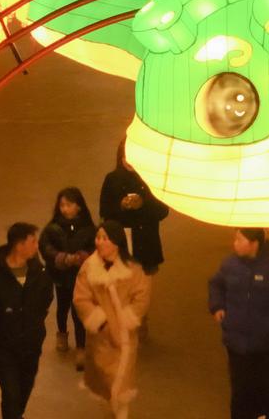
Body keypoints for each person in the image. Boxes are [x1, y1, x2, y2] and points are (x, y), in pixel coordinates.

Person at [0, 222, 53, 419]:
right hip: (3, 347)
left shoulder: (39, 274)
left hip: (31, 344)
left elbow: (46, 299)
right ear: (19, 245)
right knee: (11, 393)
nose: (36, 246)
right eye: (33, 241)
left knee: (25, 387)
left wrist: (34, 326)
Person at [208, 228, 269, 419]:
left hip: (264, 346)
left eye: (240, 239)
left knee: (265, 388)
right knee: (240, 389)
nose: (235, 244)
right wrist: (217, 307)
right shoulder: (230, 264)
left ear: (254, 243)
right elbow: (216, 284)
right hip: (236, 342)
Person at [73, 220, 151, 419]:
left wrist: (127, 319)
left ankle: (121, 412)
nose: (99, 242)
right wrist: (99, 320)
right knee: (103, 380)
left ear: (116, 242)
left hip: (124, 337)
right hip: (100, 338)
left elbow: (142, 295)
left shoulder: (132, 269)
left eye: (105, 238)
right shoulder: (88, 268)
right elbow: (81, 298)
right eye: (98, 238)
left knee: (122, 379)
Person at [39, 186, 96, 371]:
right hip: (61, 277)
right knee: (62, 307)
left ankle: (81, 347)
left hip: (80, 278)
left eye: (69, 204)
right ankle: (62, 334)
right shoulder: (53, 229)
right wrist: (61, 258)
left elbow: (95, 249)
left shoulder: (89, 229)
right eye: (62, 205)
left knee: (78, 311)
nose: (64, 208)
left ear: (78, 206)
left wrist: (83, 257)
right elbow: (45, 248)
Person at [100, 140, 169, 275]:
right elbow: (104, 212)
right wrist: (121, 205)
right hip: (121, 246)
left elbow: (163, 211)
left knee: (143, 292)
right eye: (126, 155)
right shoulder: (112, 179)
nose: (129, 160)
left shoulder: (151, 178)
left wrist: (143, 203)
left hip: (146, 245)